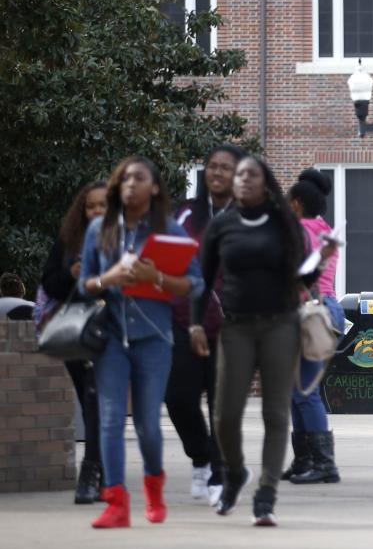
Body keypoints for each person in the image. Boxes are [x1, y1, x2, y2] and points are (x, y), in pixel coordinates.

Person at [194, 155, 331, 526]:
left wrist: (324, 258)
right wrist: (194, 324)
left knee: (275, 413)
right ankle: (235, 471)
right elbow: (202, 281)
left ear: (265, 182)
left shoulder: (285, 224)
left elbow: (302, 280)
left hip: (280, 325)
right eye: (239, 176)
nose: (243, 180)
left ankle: (266, 494)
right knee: (225, 415)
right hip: (236, 327)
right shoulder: (222, 226)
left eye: (251, 175)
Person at [79, 157, 204, 529]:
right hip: (111, 338)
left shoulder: (169, 232)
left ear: (154, 188)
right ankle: (115, 502)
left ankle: (153, 486)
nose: (131, 184)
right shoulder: (99, 230)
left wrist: (158, 276)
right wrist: (109, 277)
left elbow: (195, 284)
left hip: (154, 338)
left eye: (139, 178)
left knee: (148, 424)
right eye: (125, 179)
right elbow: (84, 284)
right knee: (111, 419)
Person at [167, 143, 245, 506]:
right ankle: (200, 456)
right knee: (178, 398)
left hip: (232, 328)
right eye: (212, 166)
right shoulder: (185, 213)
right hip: (185, 322)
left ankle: (218, 471)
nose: (216, 173)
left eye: (225, 168)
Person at [38, 180, 108, 504]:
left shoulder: (122, 241)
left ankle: (91, 475)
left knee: (99, 402)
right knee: (89, 399)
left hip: (109, 331)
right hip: (76, 333)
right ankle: (103, 474)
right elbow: (49, 284)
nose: (96, 211)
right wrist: (72, 273)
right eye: (91, 206)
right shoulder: (69, 243)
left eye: (103, 205)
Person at [284, 168, 345, 485]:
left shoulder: (301, 232)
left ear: (296, 203)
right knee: (299, 390)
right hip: (327, 310)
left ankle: (323, 462)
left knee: (305, 391)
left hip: (309, 311)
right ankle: (305, 459)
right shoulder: (324, 229)